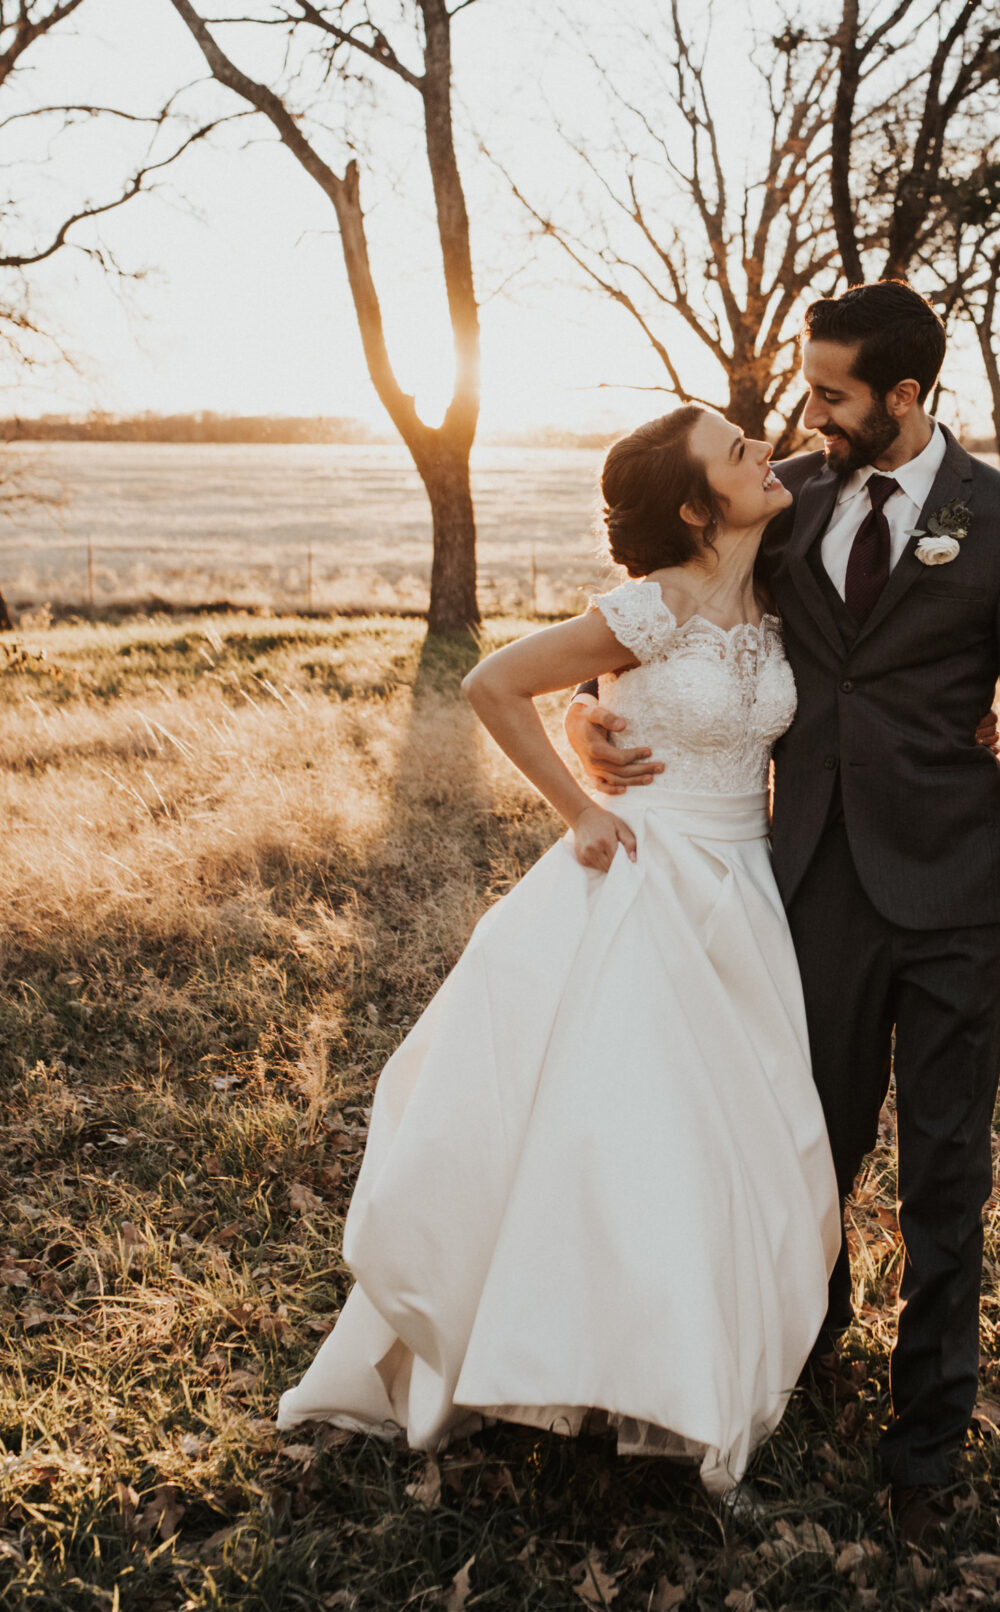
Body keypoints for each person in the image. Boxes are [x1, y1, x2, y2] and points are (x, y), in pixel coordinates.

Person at [566, 281, 1000, 1546]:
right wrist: (589, 710)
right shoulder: (783, 498)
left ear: (906, 397)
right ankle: (802, 1360)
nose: (809, 412)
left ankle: (927, 1444)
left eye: (834, 393)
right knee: (809, 1152)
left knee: (944, 1174)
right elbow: (667, 605)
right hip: (807, 886)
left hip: (958, 893)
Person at [278, 406, 839, 1501]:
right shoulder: (654, 605)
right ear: (693, 507)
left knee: (737, 1129)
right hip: (643, 876)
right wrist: (578, 801)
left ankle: (676, 1354)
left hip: (746, 886)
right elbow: (492, 680)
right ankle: (577, 1356)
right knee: (627, 1129)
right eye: (738, 451)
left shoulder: (777, 581)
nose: (765, 451)